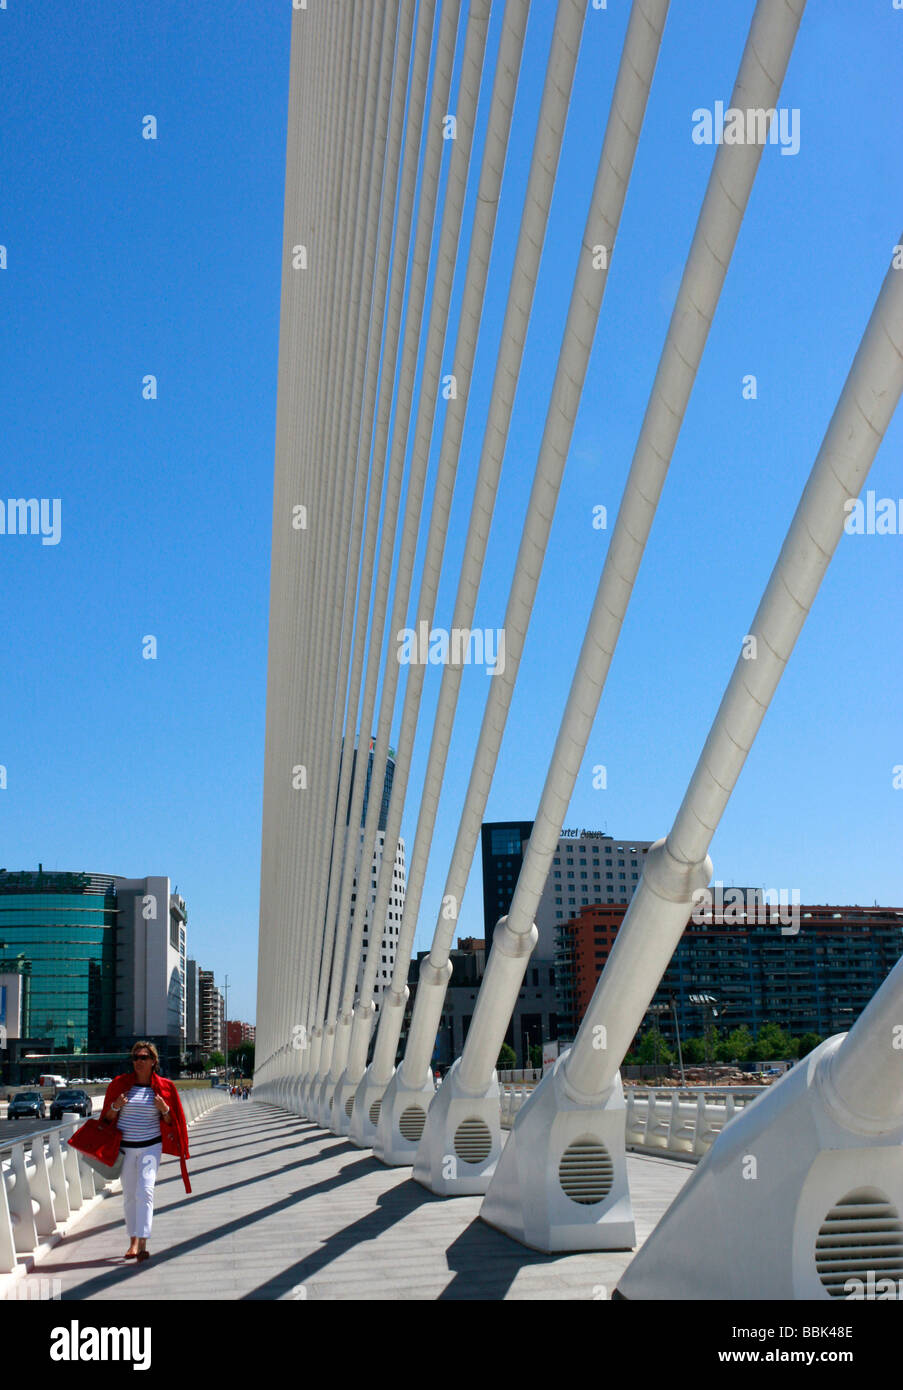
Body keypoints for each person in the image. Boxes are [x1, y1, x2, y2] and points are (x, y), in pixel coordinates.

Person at [99, 1042, 191, 1263]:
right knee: (130, 1195)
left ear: (153, 1062)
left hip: (151, 1147)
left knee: (146, 1191)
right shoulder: (120, 1085)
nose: (138, 1061)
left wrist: (165, 1110)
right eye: (136, 1057)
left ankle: (142, 1242)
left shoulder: (165, 1087)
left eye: (143, 1057)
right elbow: (106, 1120)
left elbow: (172, 1121)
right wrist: (115, 1106)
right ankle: (132, 1240)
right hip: (126, 1150)